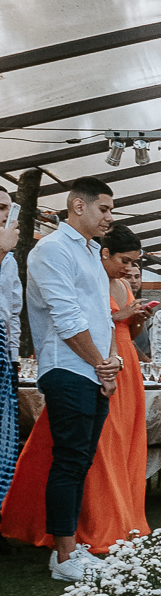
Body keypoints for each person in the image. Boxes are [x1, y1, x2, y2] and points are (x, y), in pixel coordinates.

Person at [0, 177, 122, 580]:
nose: (109, 217)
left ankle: (71, 546)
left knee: (82, 461)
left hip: (93, 370)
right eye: (104, 209)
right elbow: (65, 317)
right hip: (66, 368)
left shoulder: (90, 252)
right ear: (77, 206)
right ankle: (65, 557)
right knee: (69, 461)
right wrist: (99, 363)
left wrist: (109, 364)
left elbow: (100, 317)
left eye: (110, 210)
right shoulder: (51, 249)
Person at [0, 189, 22, 507]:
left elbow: (13, 311)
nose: (6, 212)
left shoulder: (11, 260)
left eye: (8, 207)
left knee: (4, 437)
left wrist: (14, 356)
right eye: (1, 207)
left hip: (2, 349)